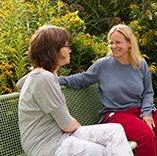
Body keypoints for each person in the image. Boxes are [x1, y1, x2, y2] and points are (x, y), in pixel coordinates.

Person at [58, 24, 157, 156]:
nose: (114, 46)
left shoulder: (140, 64)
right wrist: (52, 78)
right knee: (146, 136)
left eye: (118, 42)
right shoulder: (103, 65)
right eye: (111, 43)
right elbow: (81, 79)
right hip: (116, 113)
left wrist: (147, 113)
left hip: (139, 109)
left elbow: (148, 92)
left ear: (130, 43)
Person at [16, 25, 134, 156]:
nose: (70, 50)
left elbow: (19, 83)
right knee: (103, 151)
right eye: (67, 47)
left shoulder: (43, 75)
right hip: (47, 144)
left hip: (58, 135)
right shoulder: (44, 78)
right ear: (53, 50)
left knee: (115, 130)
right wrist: (85, 135)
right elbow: (67, 124)